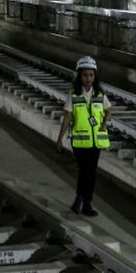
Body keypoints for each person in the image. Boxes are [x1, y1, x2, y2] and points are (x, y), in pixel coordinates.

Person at [55, 56, 112, 216]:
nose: (88, 78)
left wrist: (105, 122)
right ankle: (80, 199)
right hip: (79, 141)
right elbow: (67, 117)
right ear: (79, 76)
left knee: (91, 171)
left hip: (96, 141)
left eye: (91, 75)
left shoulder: (100, 94)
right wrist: (60, 139)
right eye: (85, 75)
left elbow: (108, 110)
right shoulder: (73, 95)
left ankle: (86, 202)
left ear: (95, 76)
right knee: (84, 169)